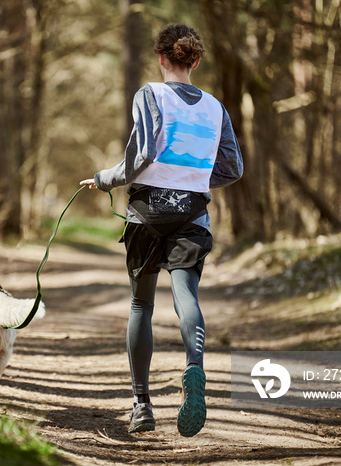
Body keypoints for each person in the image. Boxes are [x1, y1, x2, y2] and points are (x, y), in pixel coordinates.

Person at [80, 23, 243, 437]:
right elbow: (233, 169)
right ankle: (194, 366)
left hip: (148, 213)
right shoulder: (216, 107)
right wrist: (195, 178)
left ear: (161, 58)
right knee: (186, 295)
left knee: (142, 306)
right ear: (196, 60)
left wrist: (105, 178)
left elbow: (142, 153)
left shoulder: (149, 94)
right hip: (193, 215)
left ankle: (142, 406)